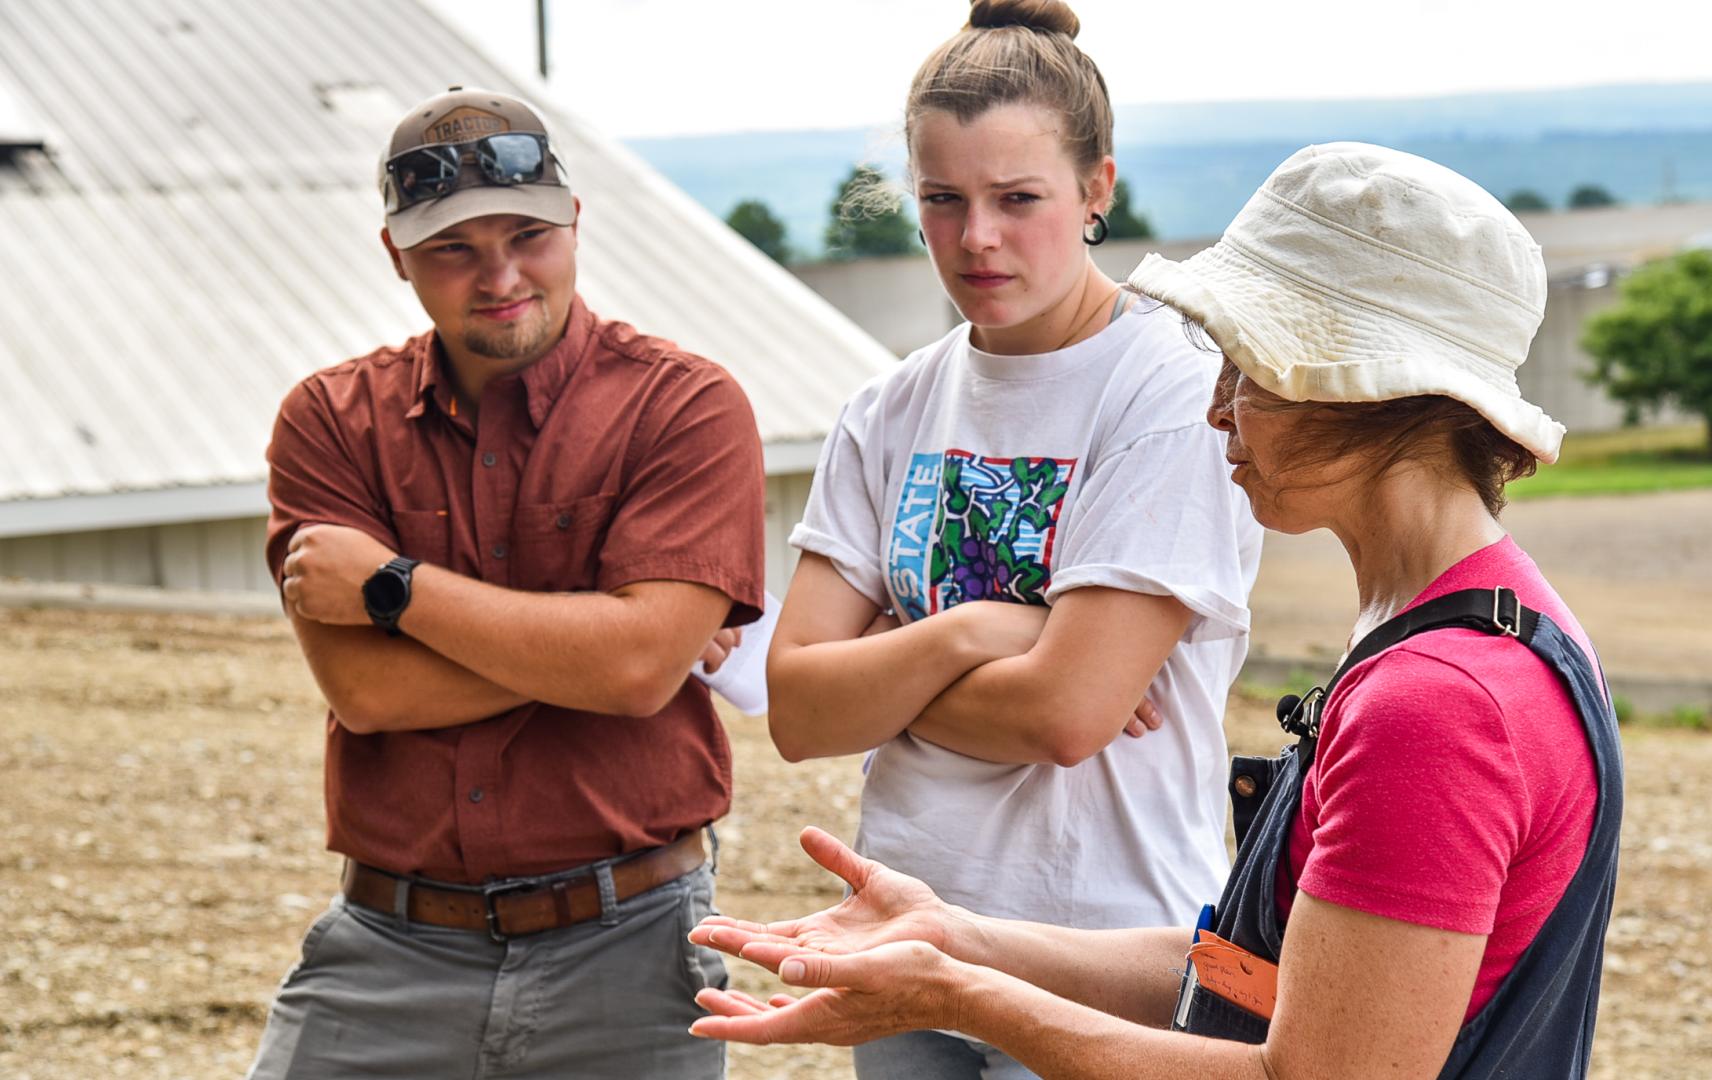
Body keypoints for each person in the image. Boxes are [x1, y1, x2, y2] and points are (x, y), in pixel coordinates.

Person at [689, 143, 1624, 1080]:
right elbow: (1257, 978)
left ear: (1363, 390)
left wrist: (955, 996)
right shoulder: (1480, 625)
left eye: (1248, 370)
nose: (1218, 410)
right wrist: (957, 940)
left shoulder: (1436, 706)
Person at [764, 2, 1262, 1075]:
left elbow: (1065, 714)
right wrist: (978, 631)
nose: (976, 237)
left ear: (1097, 190)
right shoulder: (888, 407)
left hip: (1100, 954)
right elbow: (798, 708)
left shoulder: (1169, 393)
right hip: (900, 929)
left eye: (1017, 199)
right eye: (943, 200)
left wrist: (891, 667)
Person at [247, 86, 763, 1080]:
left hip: (634, 945)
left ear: (573, 221)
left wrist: (393, 589)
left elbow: (637, 675)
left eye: (527, 235)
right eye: (453, 249)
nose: (499, 276)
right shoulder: (328, 421)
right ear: (396, 253)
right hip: (390, 943)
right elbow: (369, 691)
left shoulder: (686, 407)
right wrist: (612, 640)